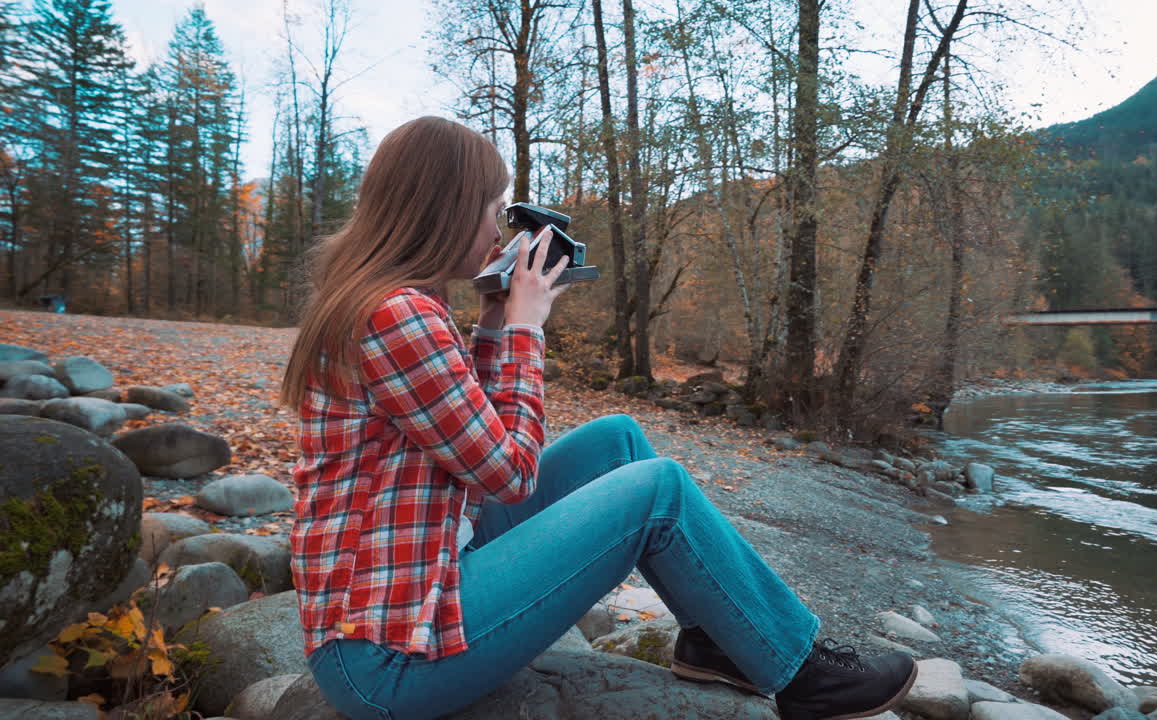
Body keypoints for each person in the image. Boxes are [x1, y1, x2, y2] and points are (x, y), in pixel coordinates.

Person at [279, 116, 918, 720]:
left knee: (618, 442)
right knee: (658, 491)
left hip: (417, 583)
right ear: (447, 211)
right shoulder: (398, 316)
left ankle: (717, 639)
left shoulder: (391, 302)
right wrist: (527, 326)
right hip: (389, 657)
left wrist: (495, 318)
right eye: (493, 212)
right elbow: (508, 473)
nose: (498, 235)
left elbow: (464, 439)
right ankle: (803, 675)